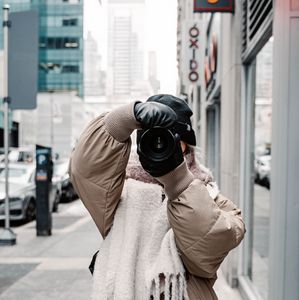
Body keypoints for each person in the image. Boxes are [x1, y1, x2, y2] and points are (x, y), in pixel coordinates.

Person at [69, 94, 245, 300]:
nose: (161, 144)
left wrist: (178, 182)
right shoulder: (118, 191)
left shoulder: (209, 194)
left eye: (170, 138)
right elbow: (86, 171)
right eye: (154, 138)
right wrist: (121, 120)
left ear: (185, 145)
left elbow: (210, 247)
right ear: (142, 141)